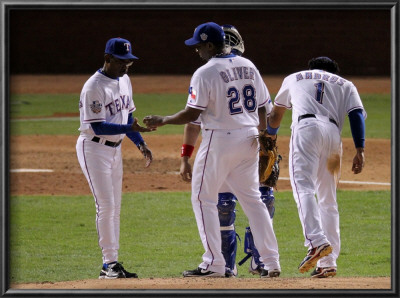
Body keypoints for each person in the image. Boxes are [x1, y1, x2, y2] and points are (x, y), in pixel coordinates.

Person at [143, 22, 281, 278]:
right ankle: (271, 262)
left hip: (220, 140)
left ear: (209, 45)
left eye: (198, 46)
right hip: (250, 138)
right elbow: (263, 106)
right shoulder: (248, 65)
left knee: (202, 199)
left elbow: (192, 114)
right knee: (253, 201)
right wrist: (263, 137)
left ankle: (214, 263)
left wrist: (163, 120)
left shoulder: (204, 72)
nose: (196, 51)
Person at [266, 56, 366, 278]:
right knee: (328, 199)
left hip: (307, 129)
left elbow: (276, 113)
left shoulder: (295, 77)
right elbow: (356, 114)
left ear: (311, 69)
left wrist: (270, 136)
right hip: (333, 137)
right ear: (334, 72)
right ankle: (328, 263)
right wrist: (360, 149)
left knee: (303, 186)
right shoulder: (345, 84)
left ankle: (317, 241)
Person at [76, 37, 154, 279]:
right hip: (94, 149)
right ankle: (109, 263)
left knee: (115, 207)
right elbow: (98, 127)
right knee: (106, 205)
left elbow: (129, 118)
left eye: (128, 62)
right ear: (107, 58)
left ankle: (111, 264)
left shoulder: (125, 80)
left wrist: (141, 144)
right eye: (121, 61)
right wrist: (132, 130)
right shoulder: (94, 87)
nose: (125, 66)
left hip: (115, 150)